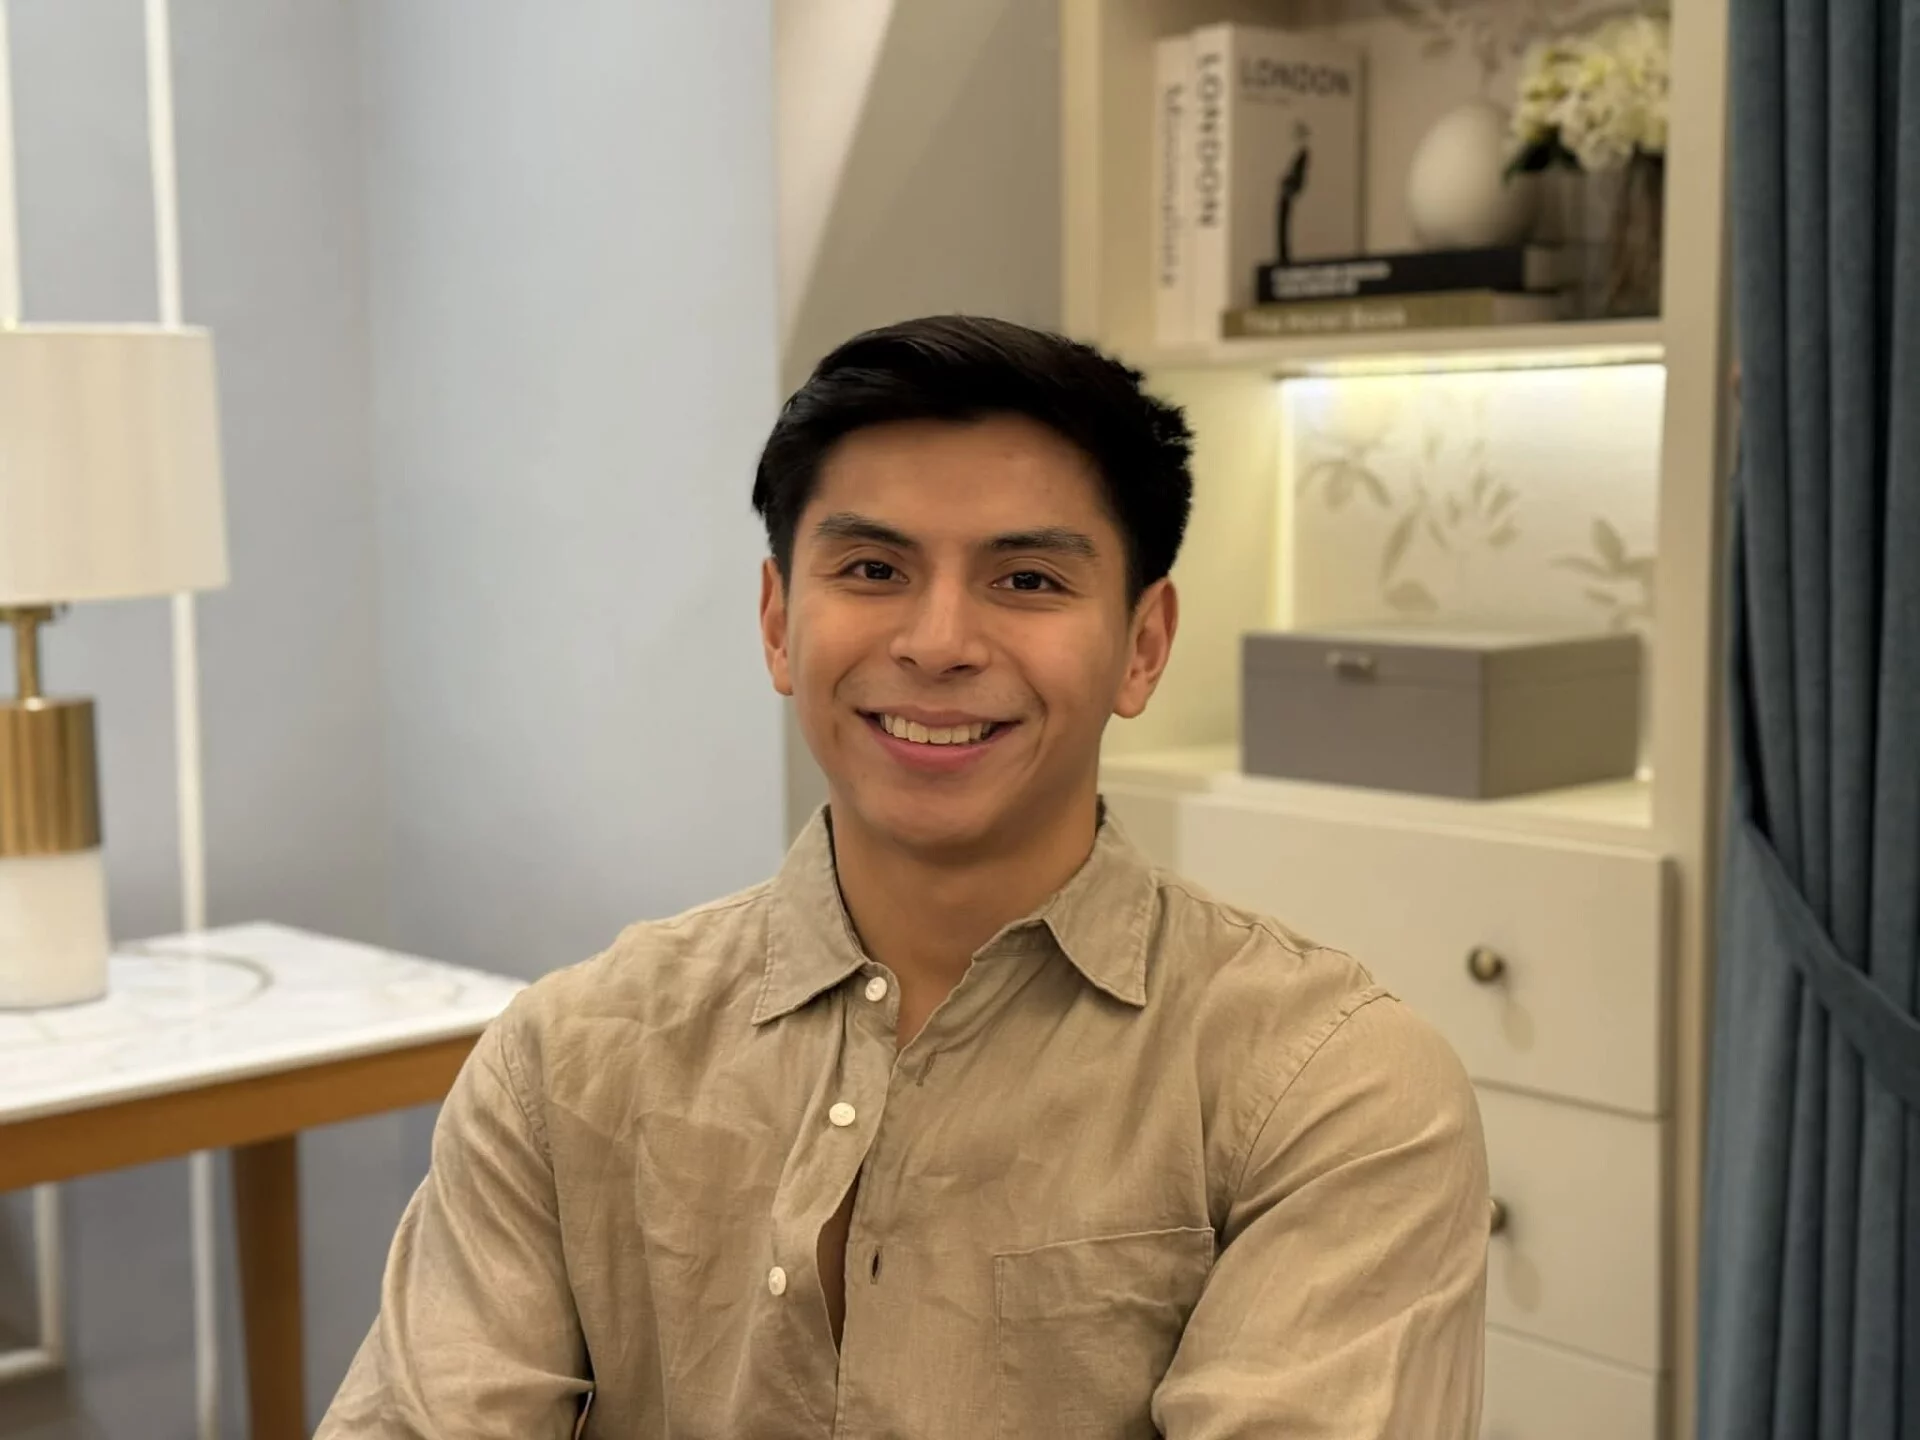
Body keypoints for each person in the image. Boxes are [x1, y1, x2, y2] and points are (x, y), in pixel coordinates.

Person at [316, 315, 1489, 1439]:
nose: (937, 643)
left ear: (1142, 646)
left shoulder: (1330, 1089)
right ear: (779, 623)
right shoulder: (565, 1062)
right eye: (874, 568)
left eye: (1027, 581)